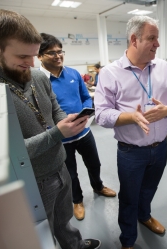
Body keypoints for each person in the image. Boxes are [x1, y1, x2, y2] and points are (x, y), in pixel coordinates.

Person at [0, 9, 101, 249]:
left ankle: (74, 245)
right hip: (29, 182)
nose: (31, 63)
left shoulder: (38, 77)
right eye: (23, 56)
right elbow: (3, 155)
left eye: (34, 55)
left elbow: (54, 108)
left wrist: (67, 121)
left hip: (60, 165)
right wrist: (57, 133)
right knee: (41, 235)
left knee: (63, 221)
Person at [94, 15, 167, 249]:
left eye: (157, 38)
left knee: (149, 190)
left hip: (160, 147)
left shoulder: (163, 67)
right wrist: (130, 117)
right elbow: (102, 115)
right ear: (134, 39)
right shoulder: (110, 73)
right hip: (131, 152)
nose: (158, 44)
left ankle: (144, 216)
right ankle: (127, 240)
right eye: (152, 38)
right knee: (128, 198)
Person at [38, 33, 116, 221]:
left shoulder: (73, 74)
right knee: (70, 173)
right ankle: (77, 200)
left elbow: (85, 97)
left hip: (84, 132)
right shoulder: (38, 80)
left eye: (60, 51)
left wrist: (84, 115)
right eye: (51, 53)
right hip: (61, 139)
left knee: (94, 164)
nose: (58, 56)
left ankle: (98, 186)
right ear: (39, 56)